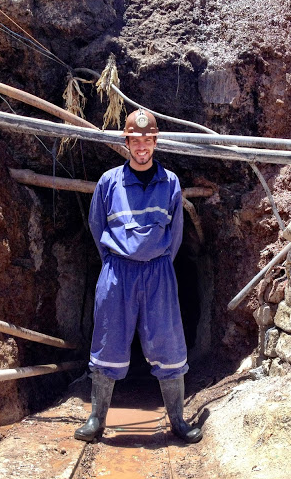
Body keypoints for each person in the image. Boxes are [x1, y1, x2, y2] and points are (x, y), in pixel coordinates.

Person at [74, 109, 202, 444]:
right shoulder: (108, 182)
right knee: (108, 341)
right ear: (126, 141)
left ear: (155, 141)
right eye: (135, 139)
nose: (142, 146)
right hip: (117, 272)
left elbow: (175, 235)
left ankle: (178, 421)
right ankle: (96, 420)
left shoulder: (170, 182)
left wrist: (156, 262)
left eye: (148, 139)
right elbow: (96, 225)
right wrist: (116, 260)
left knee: (168, 342)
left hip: (158, 273)